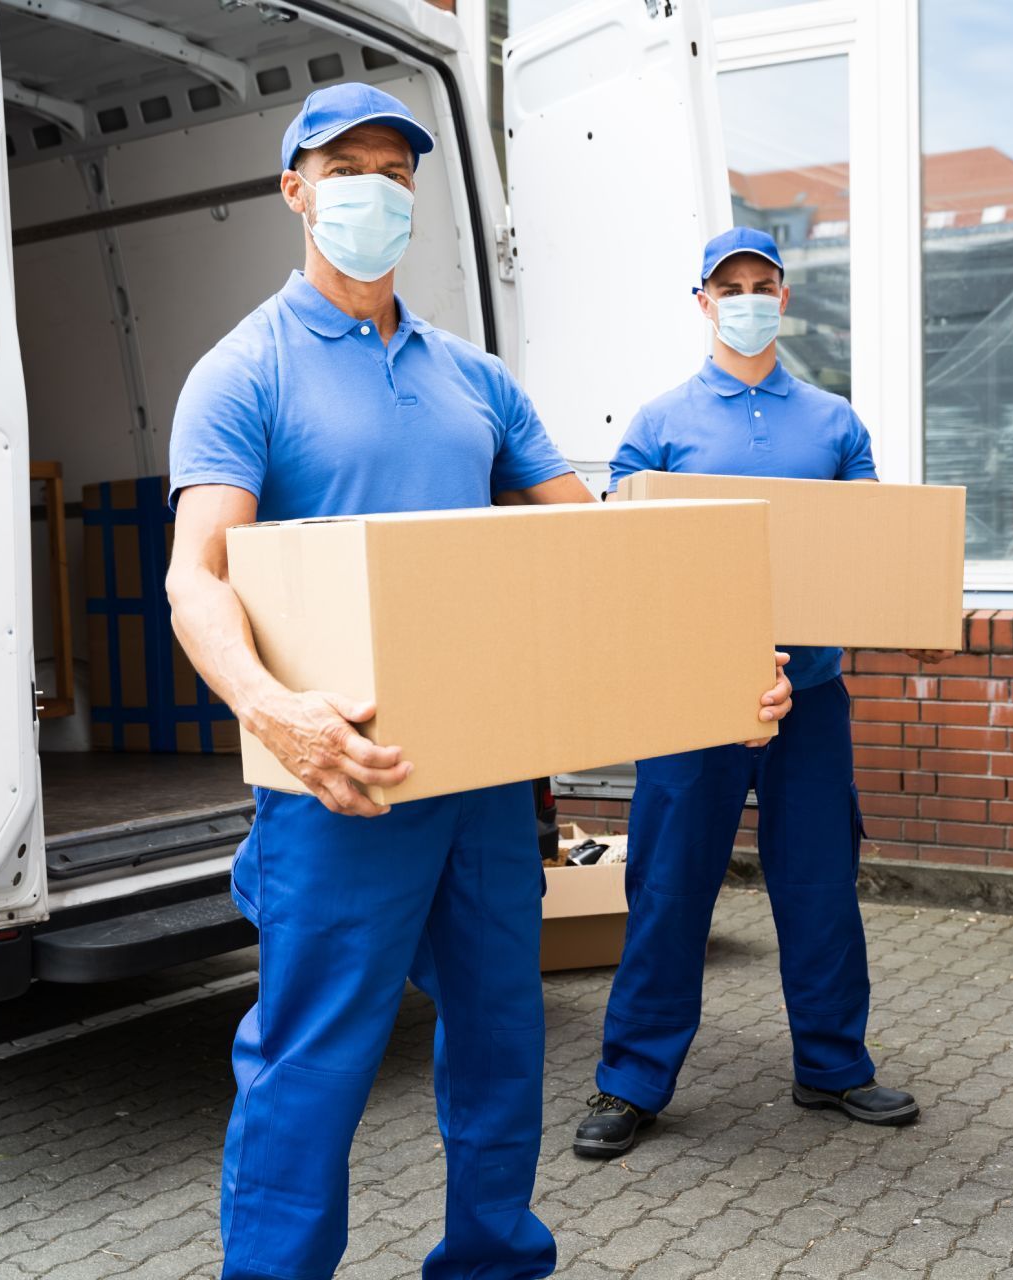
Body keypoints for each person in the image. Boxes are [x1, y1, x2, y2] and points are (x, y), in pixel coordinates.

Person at [164, 85, 794, 1280]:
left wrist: (723, 660)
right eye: (343, 166)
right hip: (341, 780)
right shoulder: (245, 371)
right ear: (293, 188)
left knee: (503, 1036)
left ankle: (496, 1259)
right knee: (312, 1059)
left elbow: (607, 554)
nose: (372, 189)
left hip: (490, 779)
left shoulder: (474, 380)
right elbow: (197, 575)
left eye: (396, 172)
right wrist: (271, 707)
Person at [572, 228, 938, 1159]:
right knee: (666, 885)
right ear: (701, 301)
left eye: (761, 284)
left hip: (809, 693)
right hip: (689, 697)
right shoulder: (658, 425)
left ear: (784, 297)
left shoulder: (833, 423)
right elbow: (627, 563)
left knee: (818, 882)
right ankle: (631, 1081)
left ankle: (833, 1066)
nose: (746, 298)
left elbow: (860, 560)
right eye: (727, 285)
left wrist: (787, 654)